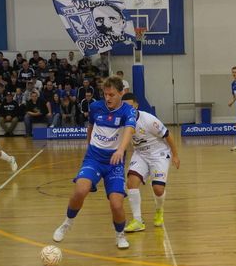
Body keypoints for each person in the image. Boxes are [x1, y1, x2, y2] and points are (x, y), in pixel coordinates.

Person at [52, 76, 137, 249]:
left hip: (115, 163)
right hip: (94, 158)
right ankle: (67, 223)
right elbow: (90, 127)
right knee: (80, 190)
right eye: (105, 94)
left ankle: (120, 235)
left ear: (122, 93)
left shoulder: (128, 111)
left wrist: (121, 149)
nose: (108, 98)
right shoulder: (95, 107)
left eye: (112, 94)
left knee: (116, 204)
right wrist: (89, 145)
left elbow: (129, 130)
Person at [122, 93, 180, 232]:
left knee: (158, 189)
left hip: (158, 154)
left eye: (130, 106)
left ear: (136, 105)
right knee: (131, 183)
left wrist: (175, 155)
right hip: (140, 154)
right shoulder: (122, 121)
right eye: (125, 106)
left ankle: (159, 210)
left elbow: (168, 135)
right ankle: (137, 220)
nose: (128, 109)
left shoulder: (148, 120)